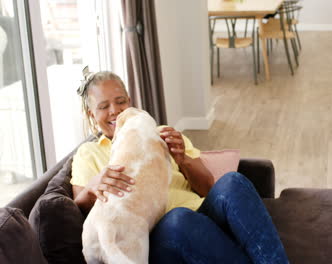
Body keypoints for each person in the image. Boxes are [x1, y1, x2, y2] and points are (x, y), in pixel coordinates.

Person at [71, 69, 288, 263]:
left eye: (120, 102)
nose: (115, 111)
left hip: (204, 215)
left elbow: (207, 188)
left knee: (233, 181)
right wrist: (93, 187)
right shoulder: (88, 153)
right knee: (179, 219)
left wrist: (182, 158)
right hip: (160, 233)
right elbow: (79, 209)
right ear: (92, 114)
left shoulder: (159, 133)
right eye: (103, 106)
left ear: (130, 101)